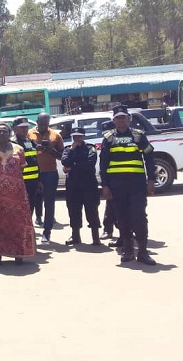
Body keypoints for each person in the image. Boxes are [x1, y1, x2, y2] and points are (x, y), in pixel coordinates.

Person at [100, 105, 157, 265]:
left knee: (139, 218)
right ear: (114, 120)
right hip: (117, 187)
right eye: (118, 117)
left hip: (137, 186)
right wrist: (105, 185)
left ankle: (143, 252)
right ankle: (128, 250)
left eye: (123, 117)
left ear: (129, 119)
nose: (121, 120)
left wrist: (151, 180)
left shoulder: (139, 137)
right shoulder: (109, 139)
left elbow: (149, 158)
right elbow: (103, 164)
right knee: (122, 219)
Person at [0, 123, 36, 265]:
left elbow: (21, 168)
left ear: (9, 133)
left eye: (4, 131)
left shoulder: (19, 149)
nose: (2, 134)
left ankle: (19, 254)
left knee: (17, 222)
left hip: (16, 195)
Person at [61, 127, 101, 246]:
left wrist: (72, 167)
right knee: (73, 211)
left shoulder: (90, 148)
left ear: (83, 136)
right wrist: (72, 151)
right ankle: (75, 236)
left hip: (89, 184)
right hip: (73, 185)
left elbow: (89, 165)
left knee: (92, 210)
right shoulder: (68, 149)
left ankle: (95, 237)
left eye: (79, 136)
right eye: (75, 136)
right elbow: (64, 162)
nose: (77, 139)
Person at [28, 113, 64, 243]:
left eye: (46, 124)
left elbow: (62, 156)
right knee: (30, 202)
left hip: (50, 173)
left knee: (49, 203)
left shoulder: (56, 136)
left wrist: (50, 149)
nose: (43, 126)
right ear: (36, 121)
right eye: (41, 123)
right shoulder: (29, 134)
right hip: (32, 174)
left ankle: (47, 232)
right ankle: (29, 232)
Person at [12, 117, 41, 223]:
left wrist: (39, 179)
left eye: (26, 127)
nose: (25, 130)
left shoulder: (29, 141)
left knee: (30, 208)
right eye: (22, 128)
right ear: (15, 129)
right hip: (20, 182)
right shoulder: (12, 143)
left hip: (33, 182)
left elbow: (35, 160)